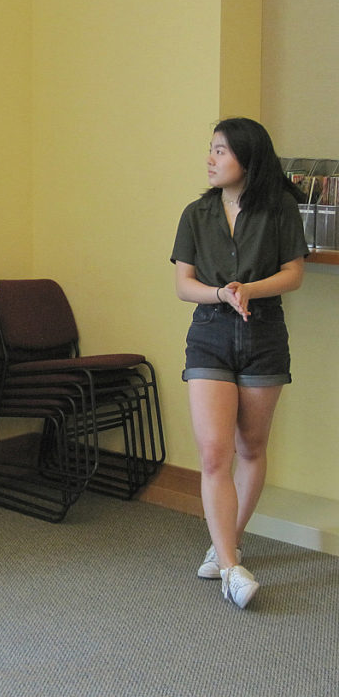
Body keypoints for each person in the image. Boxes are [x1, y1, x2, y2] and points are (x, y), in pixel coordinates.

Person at [171, 117, 309, 609]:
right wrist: (222, 295)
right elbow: (184, 284)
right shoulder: (196, 214)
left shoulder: (279, 210)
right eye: (210, 149)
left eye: (221, 151)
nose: (210, 159)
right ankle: (231, 568)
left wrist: (249, 289)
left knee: (251, 447)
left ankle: (226, 541)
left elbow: (294, 273)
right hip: (208, 334)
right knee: (214, 454)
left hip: (264, 333)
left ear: (247, 159)